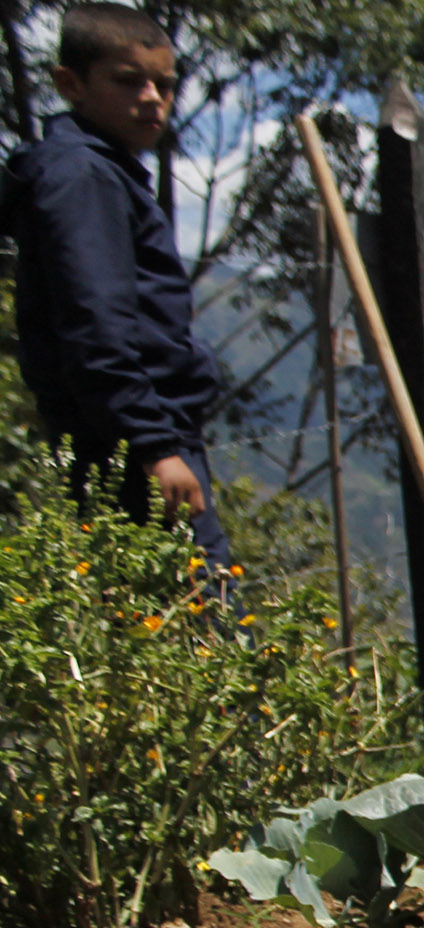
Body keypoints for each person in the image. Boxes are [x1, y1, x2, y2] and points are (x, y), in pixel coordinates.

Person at [4, 2, 226, 566]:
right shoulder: (83, 177)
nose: (152, 98)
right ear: (70, 84)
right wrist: (154, 444)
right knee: (200, 619)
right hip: (127, 446)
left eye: (164, 84)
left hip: (131, 434)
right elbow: (95, 324)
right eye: (129, 82)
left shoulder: (103, 173)